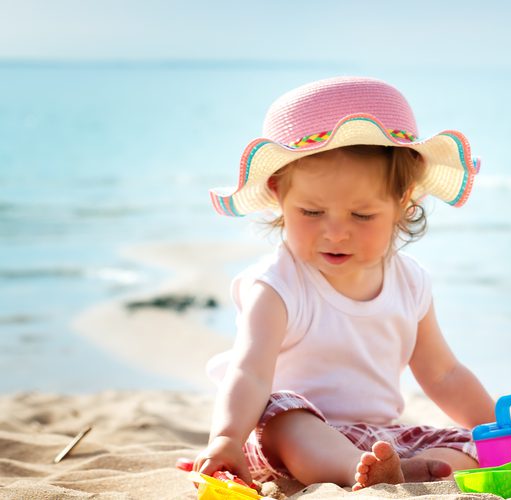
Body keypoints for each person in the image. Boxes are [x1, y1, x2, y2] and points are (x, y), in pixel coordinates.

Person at [193, 76, 491, 490]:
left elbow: (443, 374)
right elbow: (250, 374)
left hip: (378, 437)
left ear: (403, 201)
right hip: (288, 433)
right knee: (285, 413)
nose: (335, 233)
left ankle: (401, 471)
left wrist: (496, 427)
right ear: (279, 194)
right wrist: (224, 438)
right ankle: (358, 470)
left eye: (362, 216)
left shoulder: (411, 282)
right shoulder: (276, 285)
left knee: (464, 446)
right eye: (312, 213)